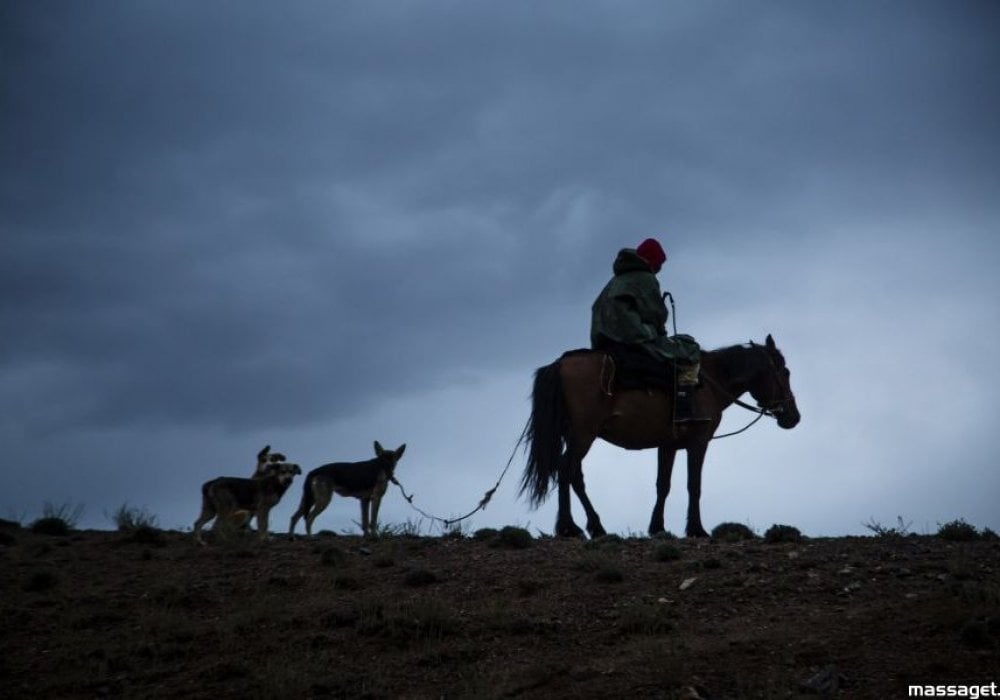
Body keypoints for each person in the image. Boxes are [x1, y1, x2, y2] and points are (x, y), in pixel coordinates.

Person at [590, 237, 707, 422]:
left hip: (602, 339)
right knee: (689, 349)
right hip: (633, 336)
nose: (660, 269)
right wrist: (657, 330)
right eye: (660, 264)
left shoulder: (616, 280)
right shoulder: (645, 278)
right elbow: (655, 315)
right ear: (654, 262)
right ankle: (683, 410)